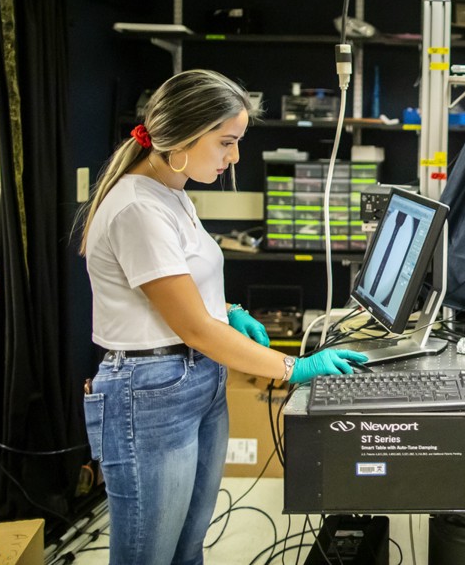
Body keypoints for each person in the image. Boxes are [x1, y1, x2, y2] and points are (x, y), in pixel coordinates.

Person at [77, 69, 367, 565]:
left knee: (187, 550)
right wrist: (293, 367)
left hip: (195, 379)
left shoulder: (173, 192)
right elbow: (191, 326)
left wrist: (229, 310)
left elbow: (183, 286)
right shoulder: (137, 209)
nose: (235, 157)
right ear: (184, 136)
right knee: (149, 555)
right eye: (226, 142)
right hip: (151, 393)